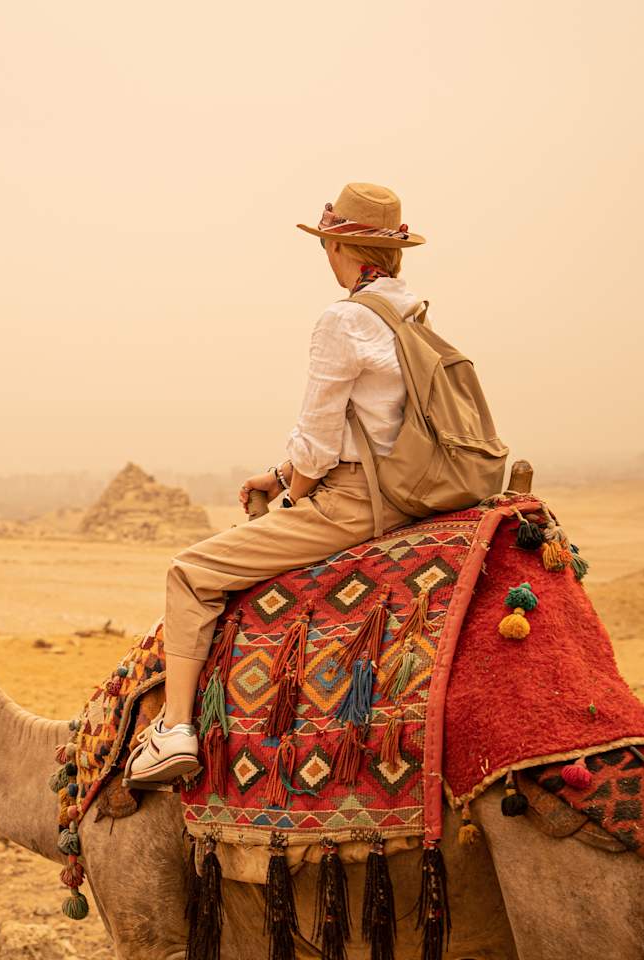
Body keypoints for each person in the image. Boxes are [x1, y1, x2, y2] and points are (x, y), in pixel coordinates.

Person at [124, 182, 427, 786]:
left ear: (338, 247)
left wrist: (293, 492)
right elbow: (375, 422)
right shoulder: (413, 313)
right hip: (412, 490)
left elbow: (318, 441)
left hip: (354, 503)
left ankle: (175, 730)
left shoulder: (344, 319)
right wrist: (283, 472)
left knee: (190, 573)